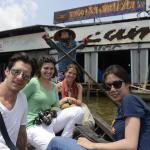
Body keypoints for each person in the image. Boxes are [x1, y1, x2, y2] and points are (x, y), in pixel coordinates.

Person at [48, 64, 150, 150]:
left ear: (128, 83)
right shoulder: (124, 106)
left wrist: (93, 145)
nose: (112, 89)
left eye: (117, 84)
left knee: (55, 141)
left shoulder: (130, 100)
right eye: (108, 86)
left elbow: (130, 145)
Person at [22, 56, 84, 150]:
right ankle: (61, 144)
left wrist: (51, 114)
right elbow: (19, 100)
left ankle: (65, 139)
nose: (49, 71)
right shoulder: (33, 82)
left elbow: (56, 106)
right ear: (40, 69)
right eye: (46, 68)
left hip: (48, 120)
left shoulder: (54, 86)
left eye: (51, 68)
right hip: (33, 124)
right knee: (54, 144)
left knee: (79, 111)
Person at [0, 52, 34, 150]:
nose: (20, 77)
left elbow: (21, 132)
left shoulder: (22, 98)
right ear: (7, 71)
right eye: (16, 72)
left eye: (25, 76)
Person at [57, 63, 95, 127]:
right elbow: (56, 104)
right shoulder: (58, 86)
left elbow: (79, 102)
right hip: (63, 108)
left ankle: (86, 125)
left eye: (74, 74)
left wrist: (72, 100)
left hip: (76, 105)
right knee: (79, 108)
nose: (71, 75)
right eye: (69, 72)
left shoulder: (79, 86)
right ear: (65, 73)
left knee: (83, 106)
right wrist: (70, 104)